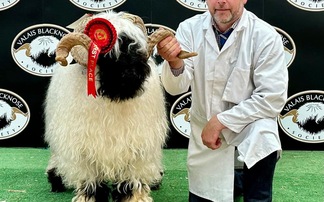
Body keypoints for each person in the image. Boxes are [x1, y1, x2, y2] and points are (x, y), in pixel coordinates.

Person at [157, 0, 289, 201]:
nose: (221, 1)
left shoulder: (265, 35)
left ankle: (256, 195)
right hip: (204, 129)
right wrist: (174, 61)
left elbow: (272, 97)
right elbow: (176, 87)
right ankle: (237, 182)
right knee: (207, 195)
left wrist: (222, 121)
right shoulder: (189, 29)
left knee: (264, 134)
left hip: (248, 124)